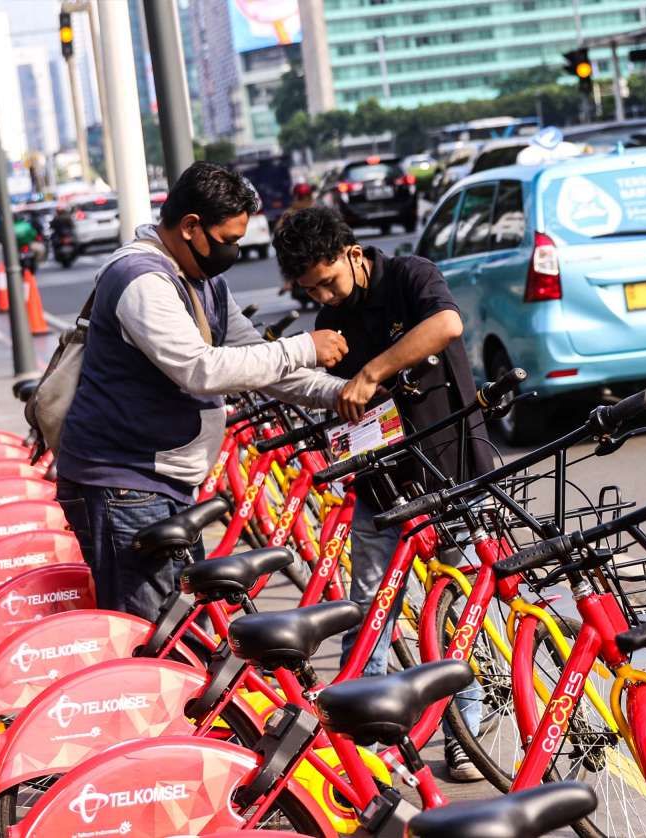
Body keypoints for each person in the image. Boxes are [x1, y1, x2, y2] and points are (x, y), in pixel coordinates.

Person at [55, 162, 349, 623]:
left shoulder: (203, 279)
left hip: (160, 483)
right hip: (122, 483)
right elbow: (200, 370)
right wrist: (304, 347)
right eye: (228, 240)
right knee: (149, 636)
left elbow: (257, 360)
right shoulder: (141, 281)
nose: (232, 252)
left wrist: (341, 393)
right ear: (190, 226)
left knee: (176, 631)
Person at [273, 206, 495, 782]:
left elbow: (445, 327)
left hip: (450, 469)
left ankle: (464, 737)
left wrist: (371, 373)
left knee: (457, 610)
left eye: (328, 279)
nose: (325, 293)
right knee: (369, 607)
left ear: (351, 252)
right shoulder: (331, 318)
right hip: (382, 481)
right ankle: (362, 747)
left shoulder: (411, 276)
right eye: (311, 288)